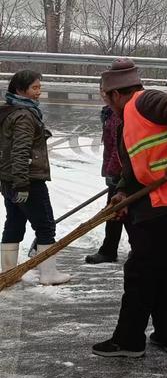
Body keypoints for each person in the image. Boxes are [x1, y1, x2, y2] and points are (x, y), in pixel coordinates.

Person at [92, 58, 167, 358]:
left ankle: (128, 341)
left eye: (107, 98)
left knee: (141, 270)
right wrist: (120, 192)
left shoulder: (143, 101)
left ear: (115, 94)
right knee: (161, 269)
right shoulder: (129, 119)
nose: (109, 104)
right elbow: (134, 165)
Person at [0, 70, 70, 285]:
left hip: (8, 179)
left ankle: (9, 272)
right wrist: (22, 184)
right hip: (27, 179)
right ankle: (48, 273)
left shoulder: (10, 110)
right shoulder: (24, 115)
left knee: (14, 222)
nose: (39, 92)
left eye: (40, 87)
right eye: (35, 88)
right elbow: (20, 151)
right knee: (45, 225)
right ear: (21, 90)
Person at [85, 90, 124, 264]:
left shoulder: (118, 115)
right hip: (115, 170)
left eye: (106, 91)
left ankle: (109, 250)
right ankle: (111, 249)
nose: (103, 94)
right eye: (101, 90)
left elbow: (118, 148)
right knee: (117, 213)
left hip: (121, 172)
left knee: (116, 213)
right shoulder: (110, 112)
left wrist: (113, 173)